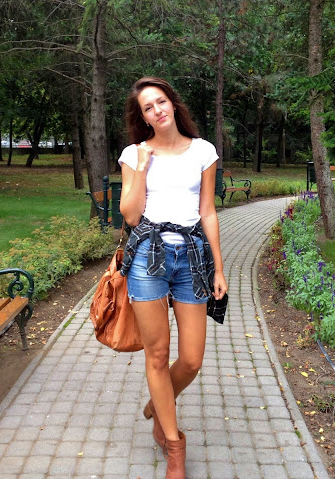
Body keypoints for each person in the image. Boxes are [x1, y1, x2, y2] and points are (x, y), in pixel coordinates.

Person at [117, 77, 227, 479]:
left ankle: (157, 402)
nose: (157, 110)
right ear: (143, 117)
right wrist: (142, 167)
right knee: (158, 355)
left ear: (173, 104)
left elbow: (208, 210)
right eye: (148, 108)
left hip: (192, 257)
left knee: (192, 359)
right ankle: (173, 444)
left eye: (160, 101)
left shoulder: (203, 151)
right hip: (147, 255)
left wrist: (219, 267)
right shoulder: (134, 154)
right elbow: (131, 214)